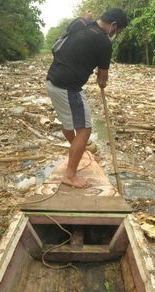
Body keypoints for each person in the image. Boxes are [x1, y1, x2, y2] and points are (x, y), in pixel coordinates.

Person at [47, 8, 128, 188]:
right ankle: (70, 175)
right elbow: (102, 77)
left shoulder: (81, 24)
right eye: (119, 31)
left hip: (52, 81)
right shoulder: (104, 43)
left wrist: (86, 18)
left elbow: (74, 27)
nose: (117, 34)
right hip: (69, 87)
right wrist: (102, 83)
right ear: (113, 25)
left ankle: (78, 151)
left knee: (68, 124)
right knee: (85, 130)